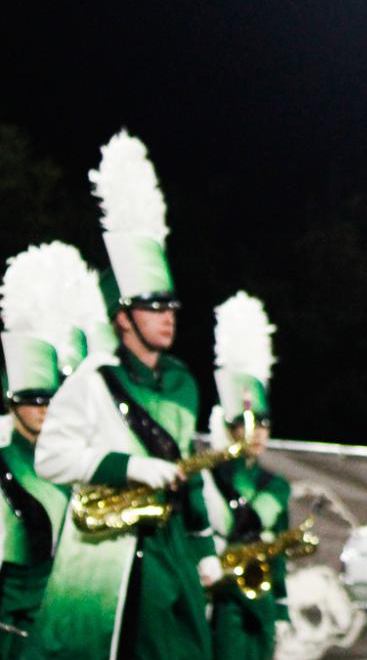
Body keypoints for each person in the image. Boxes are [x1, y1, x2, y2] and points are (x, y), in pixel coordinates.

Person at [35, 132, 223, 660]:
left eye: (171, 306)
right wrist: (131, 467)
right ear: (123, 318)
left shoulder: (186, 382)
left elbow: (191, 470)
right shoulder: (94, 377)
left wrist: (205, 548)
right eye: (153, 306)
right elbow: (52, 457)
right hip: (104, 557)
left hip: (170, 554)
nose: (168, 316)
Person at [1, 242, 92, 655]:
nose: (43, 408)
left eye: (50, 398)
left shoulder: (80, 463)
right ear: (11, 401)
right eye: (32, 399)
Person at [203, 293, 292, 660]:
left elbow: (280, 551)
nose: (257, 432)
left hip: (264, 602)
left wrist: (283, 607)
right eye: (246, 422)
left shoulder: (277, 485)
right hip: (220, 602)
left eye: (264, 423)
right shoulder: (209, 475)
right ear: (230, 425)